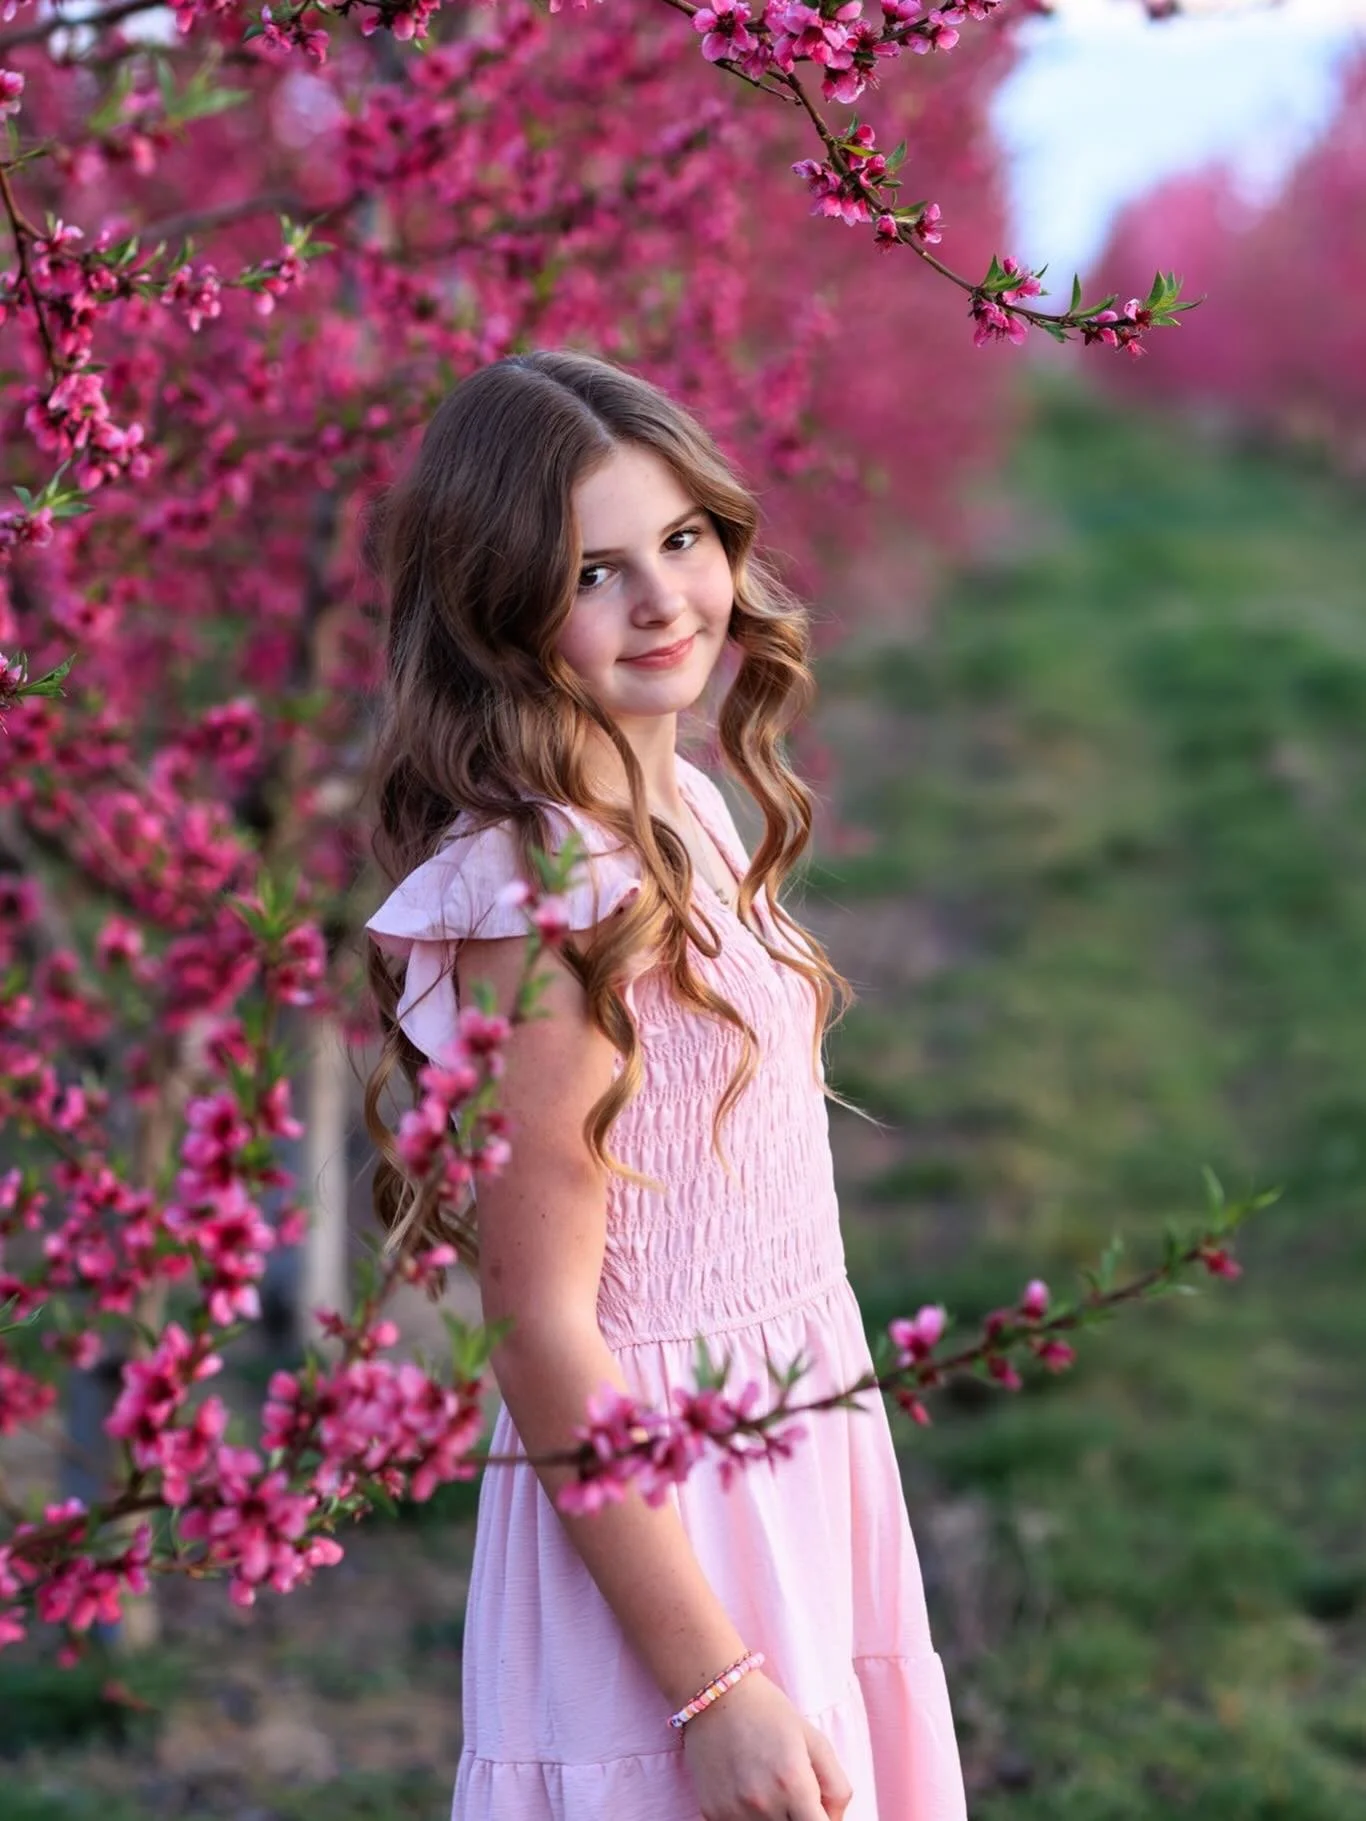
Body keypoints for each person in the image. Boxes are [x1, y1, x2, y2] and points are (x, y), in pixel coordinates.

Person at [361, 350, 969, 1821]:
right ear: (500, 608)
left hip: (785, 1446)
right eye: (593, 574)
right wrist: (713, 1685)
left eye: (682, 542)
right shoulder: (544, 902)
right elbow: (543, 1333)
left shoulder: (677, 802)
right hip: (666, 1522)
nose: (663, 603)